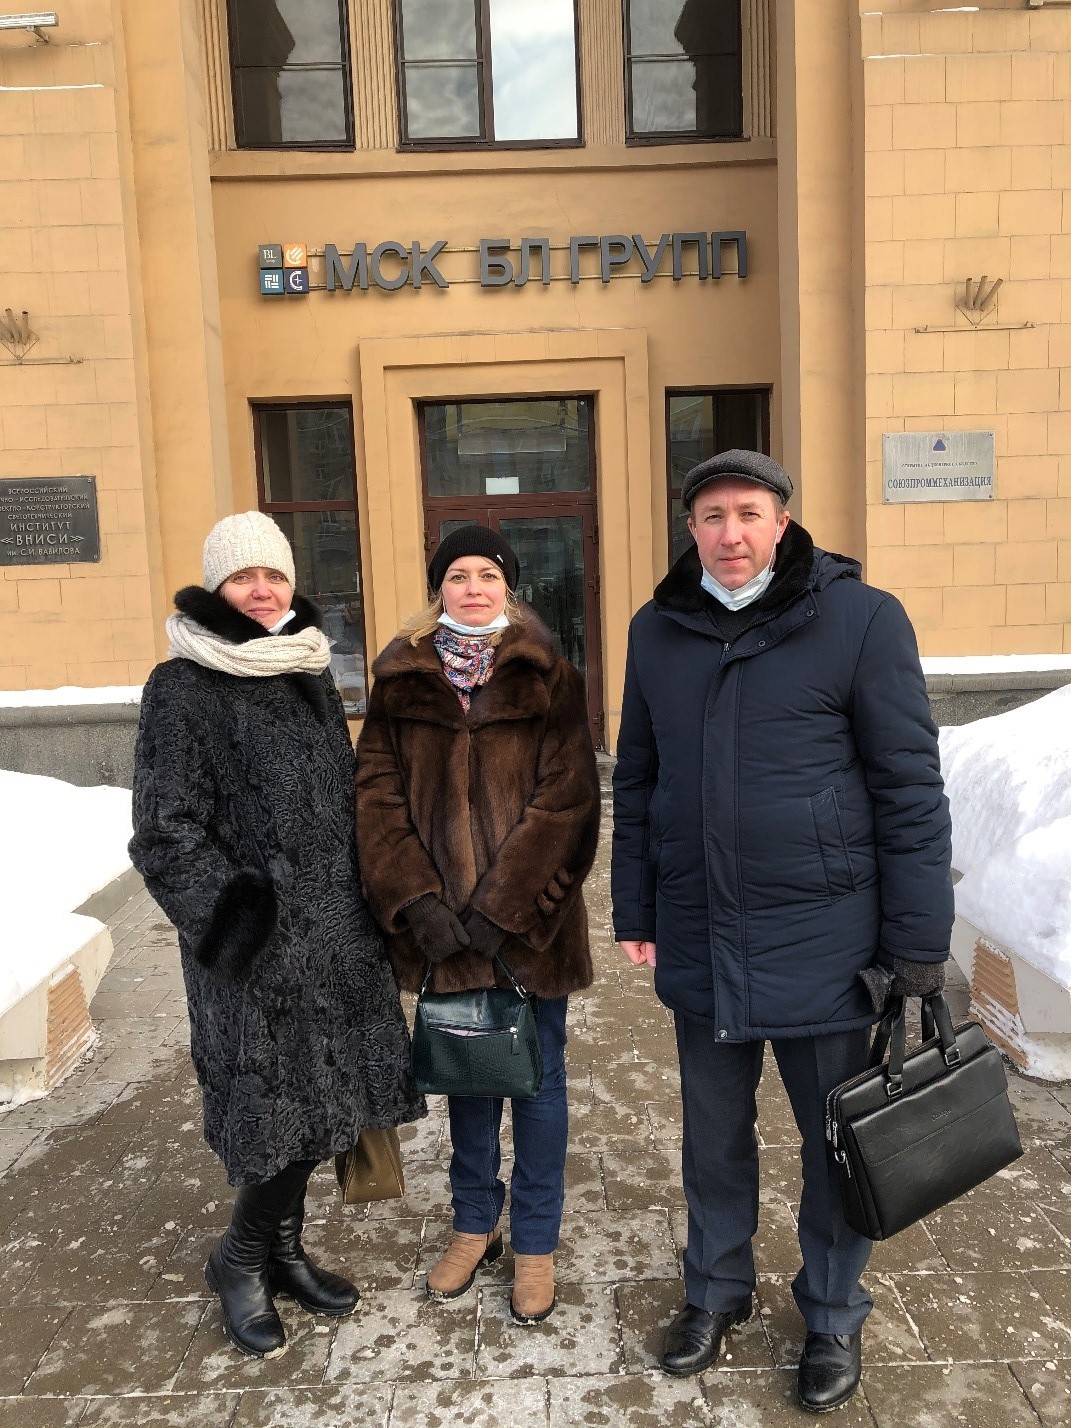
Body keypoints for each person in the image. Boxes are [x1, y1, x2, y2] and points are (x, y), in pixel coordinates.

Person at [611, 451, 952, 1412]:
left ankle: (832, 1312)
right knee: (712, 1139)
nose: (730, 533)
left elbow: (909, 790)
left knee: (835, 1140)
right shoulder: (655, 629)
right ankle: (714, 1291)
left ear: (782, 521)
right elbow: (637, 778)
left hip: (828, 942)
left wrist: (917, 945)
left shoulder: (860, 619)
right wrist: (635, 907)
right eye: (712, 515)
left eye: (749, 513)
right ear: (690, 528)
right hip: (699, 931)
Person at [129, 511, 424, 1360]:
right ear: (215, 587)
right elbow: (164, 831)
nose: (261, 591)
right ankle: (239, 1259)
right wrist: (241, 926)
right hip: (254, 951)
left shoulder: (305, 667)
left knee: (326, 1108)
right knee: (274, 1111)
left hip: (336, 935)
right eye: (243, 577)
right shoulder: (181, 684)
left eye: (274, 575)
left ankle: (285, 1252)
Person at [356, 525, 600, 1325]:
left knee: (538, 1085)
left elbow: (568, 803)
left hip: (528, 932)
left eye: (486, 575)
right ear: (439, 590)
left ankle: (534, 1242)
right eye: (457, 575)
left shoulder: (549, 675)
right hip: (439, 931)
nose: (471, 588)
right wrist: (419, 904)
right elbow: (377, 797)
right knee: (467, 1079)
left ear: (508, 587)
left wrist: (503, 910)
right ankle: (472, 1225)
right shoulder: (400, 680)